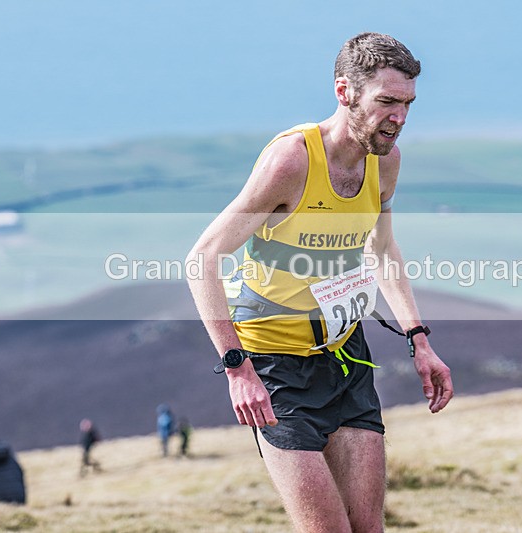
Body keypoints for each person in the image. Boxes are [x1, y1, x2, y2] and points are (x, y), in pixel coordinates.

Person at [186, 32, 453, 533]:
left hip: (344, 356)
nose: (399, 118)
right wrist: (237, 369)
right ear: (345, 92)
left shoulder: (386, 161)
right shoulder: (292, 161)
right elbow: (202, 259)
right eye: (387, 102)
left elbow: (381, 251)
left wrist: (420, 340)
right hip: (274, 369)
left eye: (408, 103)